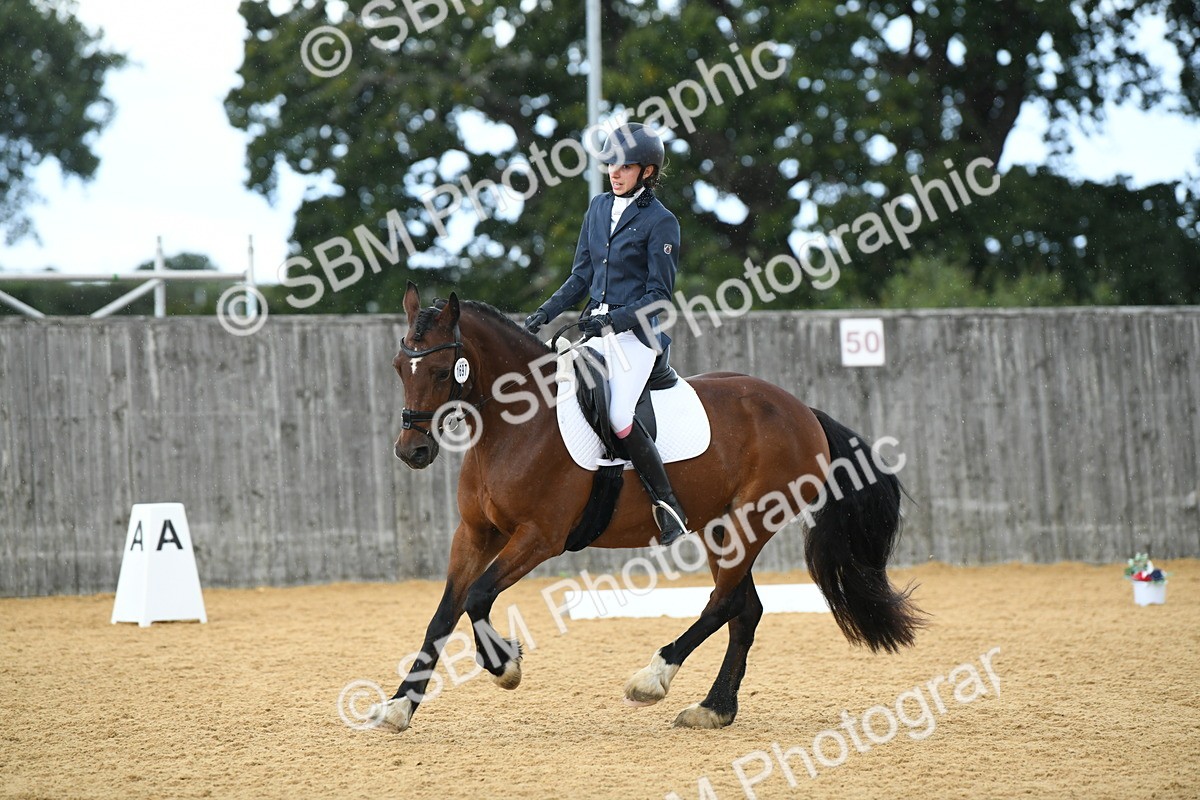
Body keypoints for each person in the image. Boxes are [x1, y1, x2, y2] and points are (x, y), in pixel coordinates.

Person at [524, 122, 689, 546]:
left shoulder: (661, 222)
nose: (615, 172)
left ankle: (667, 504)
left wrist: (613, 321)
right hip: (591, 332)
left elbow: (658, 298)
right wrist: (545, 311)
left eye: (625, 166)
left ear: (647, 172)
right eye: (611, 164)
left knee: (618, 416)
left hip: (635, 338)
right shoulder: (597, 208)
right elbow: (581, 276)